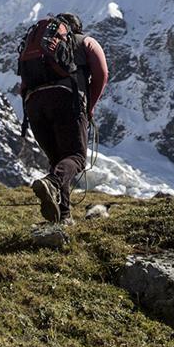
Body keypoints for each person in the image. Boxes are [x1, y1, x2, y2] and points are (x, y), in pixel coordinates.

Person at [23, 13, 109, 223]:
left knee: (59, 161)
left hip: (33, 104)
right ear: (76, 29)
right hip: (66, 99)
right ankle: (52, 183)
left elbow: (23, 85)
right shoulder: (85, 41)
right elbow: (102, 74)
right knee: (76, 157)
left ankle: (63, 216)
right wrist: (89, 106)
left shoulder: (37, 49)